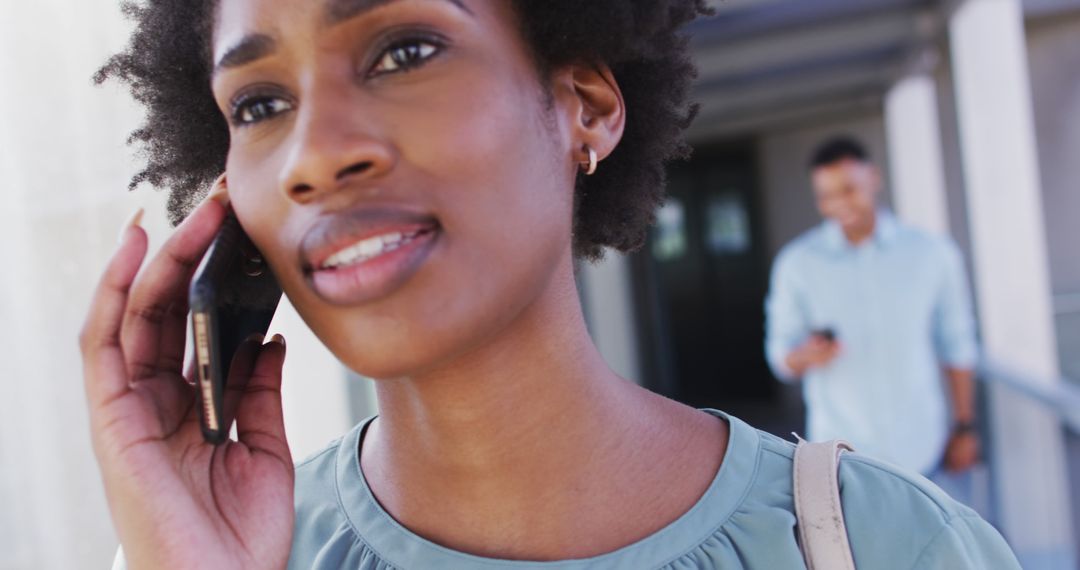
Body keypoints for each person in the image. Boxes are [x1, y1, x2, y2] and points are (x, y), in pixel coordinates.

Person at [83, 1, 1017, 568]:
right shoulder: (218, 554)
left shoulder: (899, 546)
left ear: (588, 107)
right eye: (259, 104)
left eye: (403, 51)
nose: (314, 156)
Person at [765, 137, 982, 498]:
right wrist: (806, 355)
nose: (838, 205)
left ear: (874, 178)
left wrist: (965, 426)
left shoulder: (932, 253)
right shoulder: (796, 264)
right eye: (826, 196)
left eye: (848, 190)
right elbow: (780, 356)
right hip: (840, 462)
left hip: (923, 451)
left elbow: (957, 343)